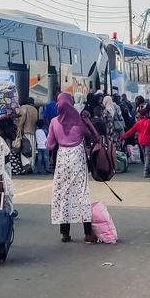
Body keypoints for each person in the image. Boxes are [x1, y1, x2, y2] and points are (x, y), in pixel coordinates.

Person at [47, 93, 97, 244]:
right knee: (82, 194)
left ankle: (65, 233)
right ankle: (87, 233)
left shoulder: (54, 122)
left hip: (62, 160)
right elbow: (92, 135)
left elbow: (49, 145)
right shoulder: (79, 121)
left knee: (63, 195)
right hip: (78, 159)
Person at [121, 107, 150, 178]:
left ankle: (148, 171)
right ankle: (146, 171)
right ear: (147, 114)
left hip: (141, 141)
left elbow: (131, 131)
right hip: (148, 141)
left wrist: (123, 137)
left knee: (145, 155)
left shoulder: (138, 123)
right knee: (147, 156)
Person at [17, 97, 38, 172]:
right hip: (32, 131)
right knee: (31, 149)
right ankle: (32, 165)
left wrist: (19, 125)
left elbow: (24, 115)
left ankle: (26, 165)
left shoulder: (24, 107)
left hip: (25, 131)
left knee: (25, 149)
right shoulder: (35, 110)